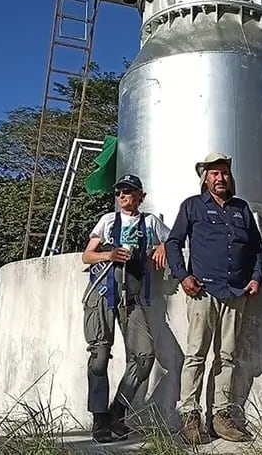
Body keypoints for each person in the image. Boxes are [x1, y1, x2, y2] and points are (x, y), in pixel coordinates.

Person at [165, 152, 262, 444]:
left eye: (224, 173)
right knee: (196, 355)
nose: (220, 178)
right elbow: (173, 242)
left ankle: (221, 417)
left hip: (236, 293)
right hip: (203, 291)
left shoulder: (241, 208)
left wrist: (256, 278)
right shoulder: (192, 206)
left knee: (227, 357)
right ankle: (189, 416)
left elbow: (257, 249)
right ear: (205, 178)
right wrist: (183, 276)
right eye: (214, 173)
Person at [80, 174, 171, 443]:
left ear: (141, 196)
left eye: (128, 191)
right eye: (119, 192)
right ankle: (99, 419)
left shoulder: (151, 222)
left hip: (131, 298)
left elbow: (174, 240)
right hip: (102, 291)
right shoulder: (108, 220)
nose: (122, 196)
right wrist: (108, 254)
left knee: (144, 356)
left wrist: (163, 247)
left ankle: (117, 411)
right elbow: (87, 256)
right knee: (99, 356)